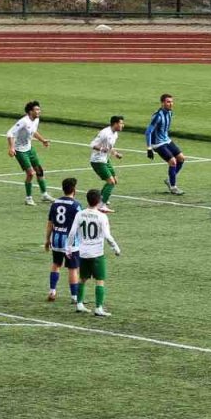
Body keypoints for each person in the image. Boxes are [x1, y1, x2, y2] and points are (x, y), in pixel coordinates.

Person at [66, 188, 121, 317]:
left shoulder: (80, 214)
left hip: (83, 252)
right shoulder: (102, 216)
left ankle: (79, 304)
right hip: (97, 253)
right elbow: (107, 236)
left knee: (83, 279)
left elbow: (72, 232)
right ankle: (99, 307)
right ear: (99, 201)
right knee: (100, 280)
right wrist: (116, 248)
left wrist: (68, 248)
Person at [44, 177, 83, 303]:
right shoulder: (76, 205)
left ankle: (52, 291)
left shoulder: (55, 203)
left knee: (56, 265)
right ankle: (74, 297)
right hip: (70, 242)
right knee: (73, 268)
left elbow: (50, 223)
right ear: (74, 189)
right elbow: (81, 224)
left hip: (56, 239)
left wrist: (47, 239)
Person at [8, 100, 52, 206]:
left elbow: (33, 132)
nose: (39, 111)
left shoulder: (36, 120)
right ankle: (28, 198)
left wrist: (43, 140)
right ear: (30, 111)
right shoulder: (23, 121)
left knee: (39, 171)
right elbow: (10, 133)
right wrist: (11, 148)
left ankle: (44, 195)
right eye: (36, 109)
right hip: (20, 151)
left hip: (29, 149)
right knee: (31, 173)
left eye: (39, 109)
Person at [146, 93, 185, 196]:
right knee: (172, 161)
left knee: (181, 158)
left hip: (166, 140)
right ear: (162, 103)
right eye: (168, 102)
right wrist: (149, 148)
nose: (171, 104)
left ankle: (170, 179)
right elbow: (148, 132)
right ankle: (173, 187)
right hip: (158, 144)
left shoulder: (170, 113)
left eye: (172, 102)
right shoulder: (158, 116)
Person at [89, 116, 125, 213]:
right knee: (111, 182)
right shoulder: (105, 133)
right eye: (121, 123)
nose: (123, 125)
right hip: (97, 161)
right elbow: (92, 144)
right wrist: (101, 149)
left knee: (115, 180)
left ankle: (100, 199)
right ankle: (102, 206)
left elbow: (110, 148)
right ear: (115, 124)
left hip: (105, 160)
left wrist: (116, 154)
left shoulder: (115, 134)